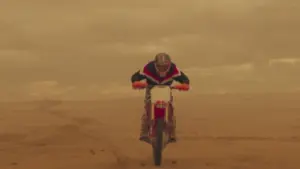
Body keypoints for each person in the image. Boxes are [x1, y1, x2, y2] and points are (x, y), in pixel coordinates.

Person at [131, 52, 190, 142]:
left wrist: (183, 85)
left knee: (170, 109)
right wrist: (136, 83)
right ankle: (144, 132)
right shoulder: (148, 68)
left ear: (169, 65)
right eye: (160, 66)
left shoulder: (174, 69)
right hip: (151, 87)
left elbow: (185, 80)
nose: (163, 69)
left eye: (165, 67)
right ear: (155, 65)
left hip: (167, 88)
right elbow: (135, 77)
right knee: (148, 107)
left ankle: (171, 133)